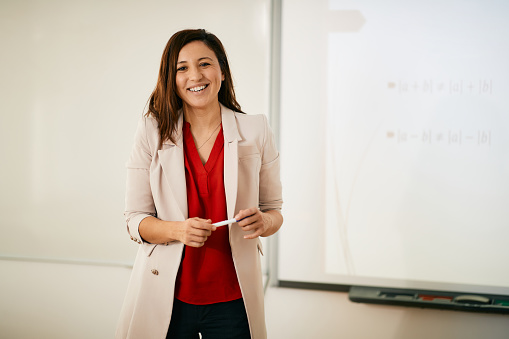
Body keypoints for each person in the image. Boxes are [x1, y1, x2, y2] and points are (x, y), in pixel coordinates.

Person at [115, 29, 283, 339]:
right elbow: (134, 220)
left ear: (221, 70)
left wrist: (264, 221)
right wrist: (177, 230)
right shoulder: (151, 130)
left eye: (205, 64)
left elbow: (274, 212)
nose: (195, 75)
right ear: (172, 77)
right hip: (168, 294)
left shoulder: (255, 129)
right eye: (182, 68)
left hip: (233, 299)